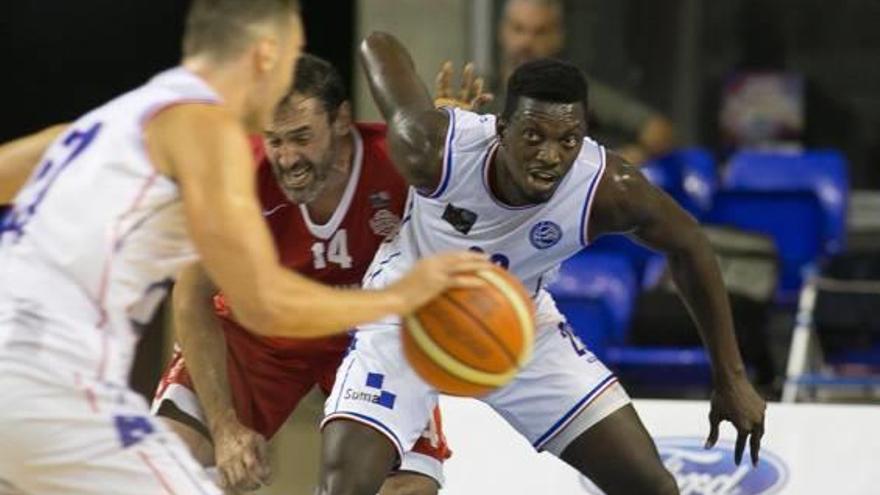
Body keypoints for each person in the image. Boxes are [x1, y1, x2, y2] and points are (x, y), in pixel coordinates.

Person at [0, 1, 490, 492]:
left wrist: (448, 156)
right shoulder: (211, 137)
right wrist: (401, 297)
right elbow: (267, 305)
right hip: (54, 381)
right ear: (263, 59)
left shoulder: (119, 118)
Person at [314, 32, 767, 495]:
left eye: (568, 140)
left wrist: (731, 377)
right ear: (500, 127)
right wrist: (429, 109)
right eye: (532, 137)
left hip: (514, 326)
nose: (550, 157)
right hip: (405, 317)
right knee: (344, 486)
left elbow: (691, 245)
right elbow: (377, 43)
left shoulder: (608, 188)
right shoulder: (435, 150)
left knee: (654, 489)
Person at [152, 54, 455, 494]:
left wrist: (454, 151)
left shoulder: (398, 162)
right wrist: (224, 429)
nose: (288, 157)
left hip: (370, 337)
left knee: (411, 488)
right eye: (276, 140)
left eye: (301, 137)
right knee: (159, 469)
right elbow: (191, 294)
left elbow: (470, 209)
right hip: (261, 331)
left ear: (340, 121)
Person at [487, 0, 676, 164]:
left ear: (558, 37)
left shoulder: (576, 91)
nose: (526, 42)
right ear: (502, 31)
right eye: (518, 29)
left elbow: (657, 129)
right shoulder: (482, 91)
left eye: (540, 32)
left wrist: (611, 165)